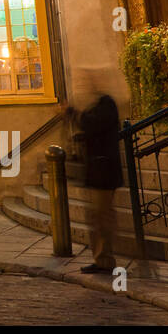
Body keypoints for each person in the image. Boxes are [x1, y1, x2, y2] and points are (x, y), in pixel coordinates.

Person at [68, 78, 123, 273]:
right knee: (98, 218)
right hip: (98, 172)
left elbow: (91, 124)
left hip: (104, 173)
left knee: (102, 218)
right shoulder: (99, 107)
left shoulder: (106, 105)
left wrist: (72, 113)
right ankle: (101, 258)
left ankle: (105, 260)